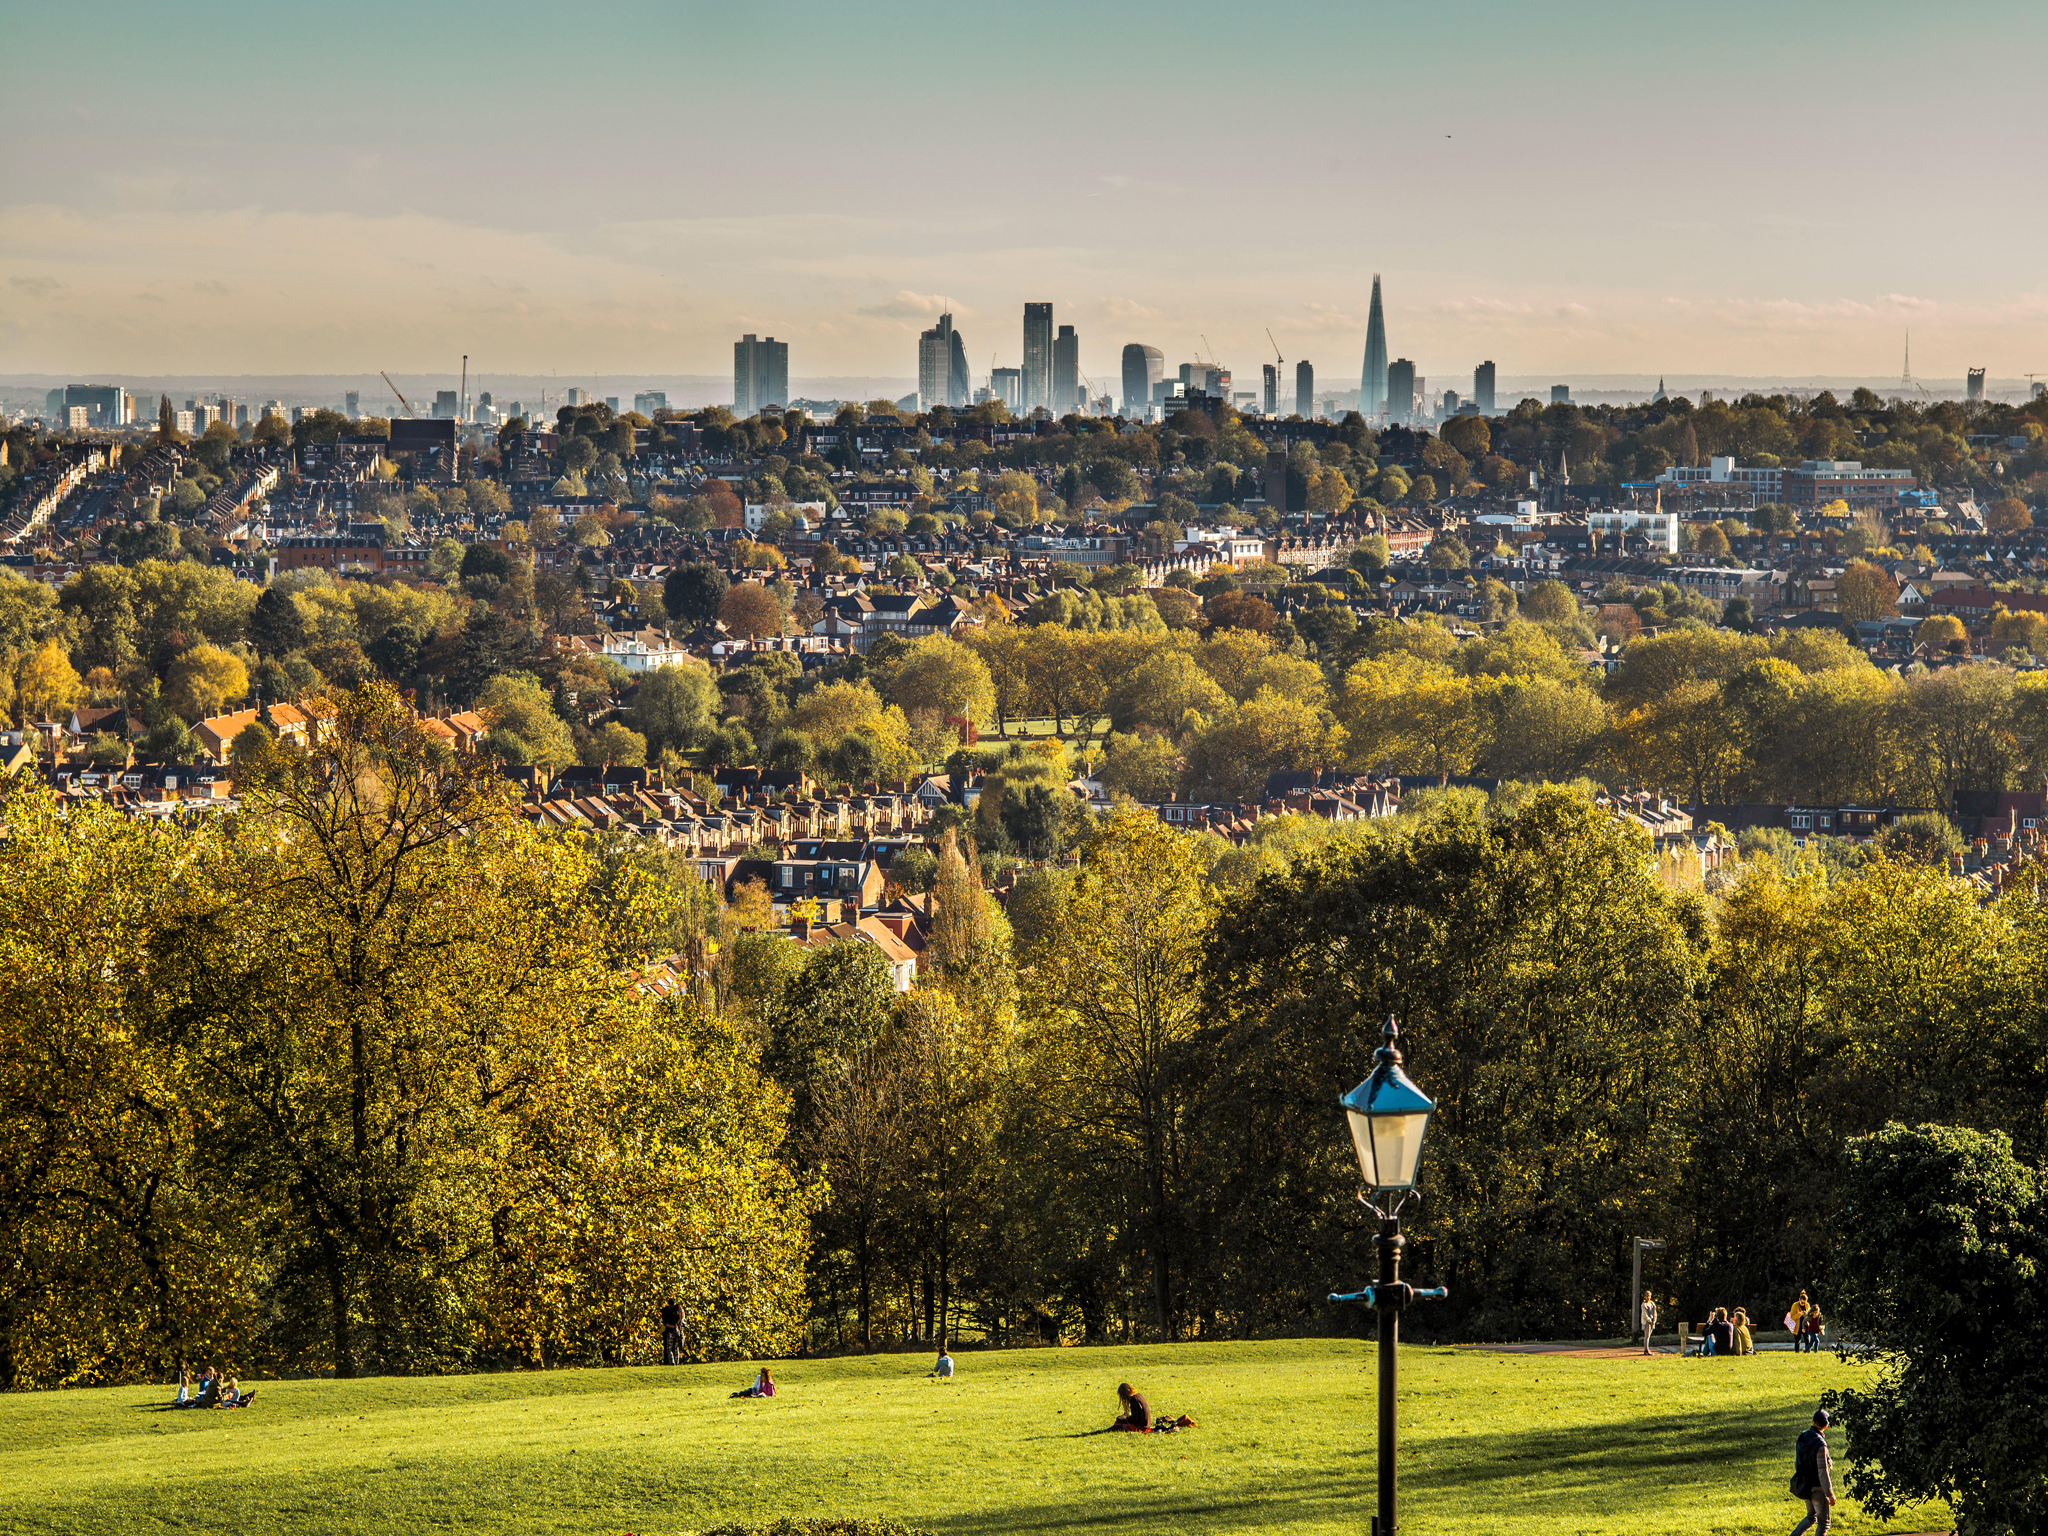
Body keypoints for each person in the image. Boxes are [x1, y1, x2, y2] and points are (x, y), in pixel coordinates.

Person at [1790, 1408, 1835, 1536]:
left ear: (1813, 1421)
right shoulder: (1820, 1445)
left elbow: (1797, 1462)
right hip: (1817, 1488)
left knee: (1810, 1517)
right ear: (1825, 1426)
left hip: (1805, 1485)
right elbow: (1822, 1471)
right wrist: (1829, 1493)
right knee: (1824, 1522)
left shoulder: (1802, 1437)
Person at [661, 1298, 685, 1367]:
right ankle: (676, 1362)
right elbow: (682, 1317)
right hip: (677, 1331)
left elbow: (665, 1323)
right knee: (675, 1347)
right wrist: (678, 1326)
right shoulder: (678, 1309)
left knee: (669, 1348)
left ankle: (672, 1362)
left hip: (671, 1332)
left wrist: (673, 1327)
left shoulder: (666, 1311)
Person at [1639, 1290, 1659, 1355]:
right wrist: (1649, 1321)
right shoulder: (1644, 1305)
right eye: (1647, 1296)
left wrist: (1654, 1320)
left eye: (1649, 1296)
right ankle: (1646, 1349)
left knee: (1649, 1336)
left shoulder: (1652, 1304)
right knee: (1646, 1336)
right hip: (1647, 1322)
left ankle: (1647, 1349)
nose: (1648, 1297)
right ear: (1645, 1297)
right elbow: (1644, 1314)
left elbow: (1654, 1312)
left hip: (1652, 1321)